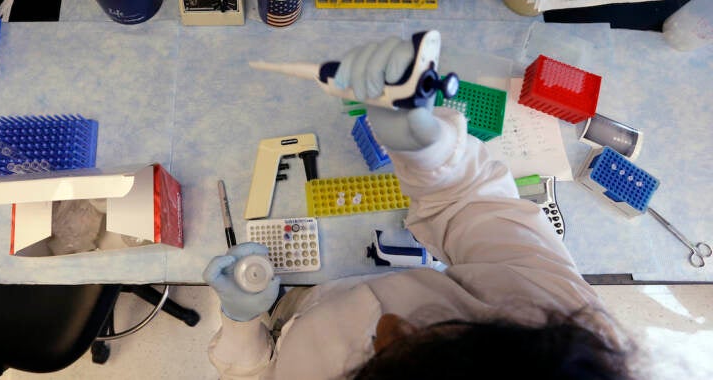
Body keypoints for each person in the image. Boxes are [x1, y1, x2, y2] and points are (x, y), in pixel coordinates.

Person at [203, 33, 634, 380]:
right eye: (439, 333)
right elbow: (474, 204)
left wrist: (241, 326)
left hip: (289, 328)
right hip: (309, 302)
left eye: (386, 359)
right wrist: (426, 147)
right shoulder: (563, 331)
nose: (389, 324)